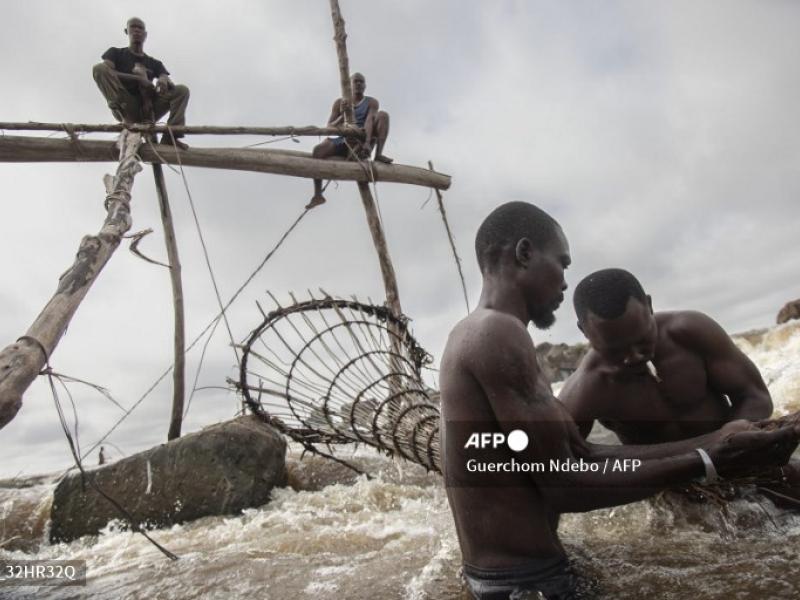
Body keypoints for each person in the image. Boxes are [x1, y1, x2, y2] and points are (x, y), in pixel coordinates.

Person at [439, 202, 800, 599]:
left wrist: (715, 446)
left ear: (649, 307)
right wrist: (707, 461)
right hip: (527, 584)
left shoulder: (482, 332)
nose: (564, 282)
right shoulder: (497, 334)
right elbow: (562, 484)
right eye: (562, 262)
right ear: (524, 253)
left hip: (519, 576)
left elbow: (579, 457)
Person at [559, 268, 800, 505]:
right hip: (675, 493)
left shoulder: (691, 332)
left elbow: (755, 396)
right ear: (584, 331)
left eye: (643, 340)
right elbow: (567, 463)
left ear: (649, 306)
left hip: (743, 464)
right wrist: (710, 448)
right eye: (614, 350)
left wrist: (738, 441)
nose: (633, 357)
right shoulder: (588, 389)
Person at [92, 17, 190, 150]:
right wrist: (138, 79)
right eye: (133, 27)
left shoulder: (154, 63)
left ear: (145, 34)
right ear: (127, 31)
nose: (137, 30)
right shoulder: (116, 53)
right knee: (99, 68)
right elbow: (106, 71)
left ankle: (170, 137)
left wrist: (163, 79)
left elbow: (164, 76)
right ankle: (126, 118)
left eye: (140, 28)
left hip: (149, 110)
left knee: (182, 90)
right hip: (125, 105)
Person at [307, 72, 392, 209]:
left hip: (361, 139)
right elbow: (330, 126)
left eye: (361, 82)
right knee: (317, 151)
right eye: (355, 81)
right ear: (350, 85)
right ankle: (318, 195)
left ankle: (379, 154)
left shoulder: (371, 102)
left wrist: (367, 143)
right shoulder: (340, 102)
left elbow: (370, 120)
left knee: (383, 115)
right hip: (342, 138)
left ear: (365, 86)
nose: (358, 84)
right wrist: (343, 115)